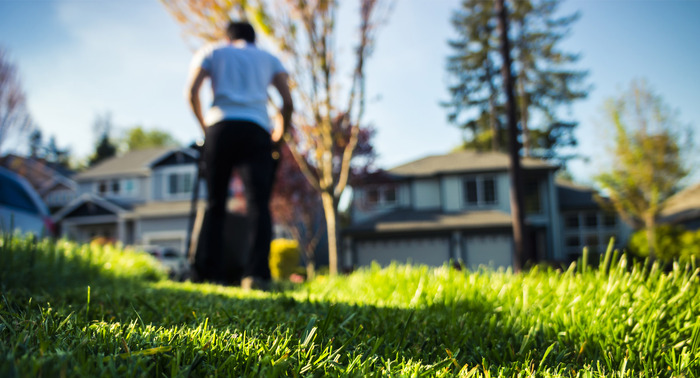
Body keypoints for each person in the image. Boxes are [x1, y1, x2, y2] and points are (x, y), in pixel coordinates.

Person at [186, 21, 293, 290]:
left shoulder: (213, 51)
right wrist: (279, 134)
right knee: (259, 204)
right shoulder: (269, 58)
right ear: (253, 38)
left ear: (228, 36)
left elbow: (191, 92)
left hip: (219, 127)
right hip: (256, 128)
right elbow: (287, 103)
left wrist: (205, 127)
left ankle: (211, 273)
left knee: (215, 202)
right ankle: (256, 275)